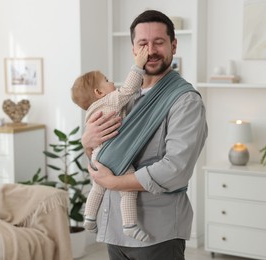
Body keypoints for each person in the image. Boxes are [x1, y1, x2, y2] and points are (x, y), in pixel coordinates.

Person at [82, 9, 208, 260]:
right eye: (143, 43)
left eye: (159, 42)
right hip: (114, 226)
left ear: (173, 45)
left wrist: (112, 183)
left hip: (157, 232)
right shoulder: (123, 98)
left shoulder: (184, 101)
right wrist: (87, 142)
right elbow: (105, 156)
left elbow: (175, 169)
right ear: (133, 50)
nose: (150, 50)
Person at [71, 46, 150, 242]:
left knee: (98, 186)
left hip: (98, 155)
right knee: (128, 189)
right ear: (99, 92)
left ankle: (89, 218)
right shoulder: (110, 102)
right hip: (114, 154)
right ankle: (129, 225)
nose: (112, 82)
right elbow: (128, 89)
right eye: (107, 80)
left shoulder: (91, 112)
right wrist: (138, 65)